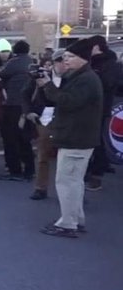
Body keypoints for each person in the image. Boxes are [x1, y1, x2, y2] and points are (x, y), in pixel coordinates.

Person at [37, 38, 104, 239]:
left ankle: (68, 223)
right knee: (74, 181)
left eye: (70, 56)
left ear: (83, 58)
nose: (65, 59)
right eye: (65, 56)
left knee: (67, 181)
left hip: (77, 138)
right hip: (76, 137)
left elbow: (67, 102)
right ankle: (76, 219)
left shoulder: (86, 80)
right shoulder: (81, 77)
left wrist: (48, 85)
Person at [23, 53, 65, 200]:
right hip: (44, 117)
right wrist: (28, 112)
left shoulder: (73, 79)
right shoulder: (40, 76)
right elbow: (25, 94)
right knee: (43, 154)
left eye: (66, 61)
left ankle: (69, 191)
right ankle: (40, 188)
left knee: (67, 157)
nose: (64, 65)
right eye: (60, 62)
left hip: (65, 118)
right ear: (54, 63)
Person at [84, 35, 120, 190]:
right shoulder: (92, 63)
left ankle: (96, 175)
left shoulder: (110, 65)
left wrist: (93, 76)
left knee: (98, 142)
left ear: (96, 47)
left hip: (102, 108)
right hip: (89, 107)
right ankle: (94, 169)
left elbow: (108, 84)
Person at [0, 40, 35, 181]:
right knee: (24, 138)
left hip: (12, 104)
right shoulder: (31, 62)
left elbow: (1, 73)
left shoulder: (14, 62)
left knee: (10, 138)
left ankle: (14, 169)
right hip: (26, 104)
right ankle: (29, 169)